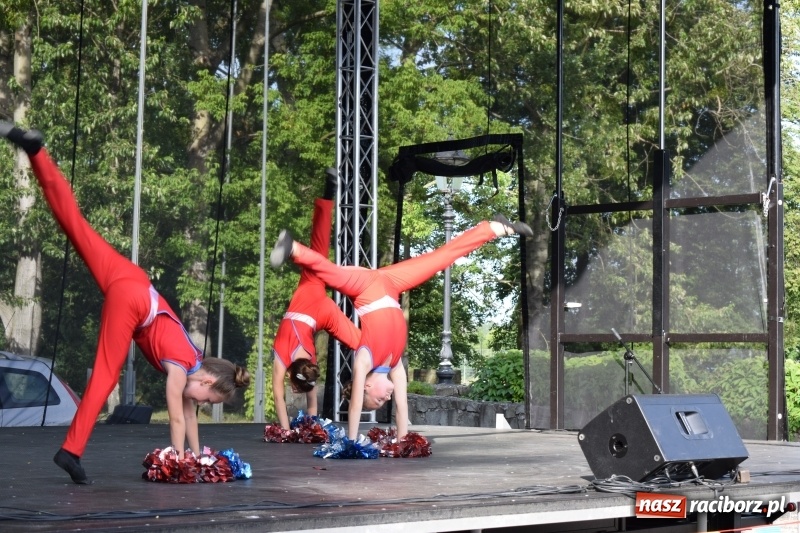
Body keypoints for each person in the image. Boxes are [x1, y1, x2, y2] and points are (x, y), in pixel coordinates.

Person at [0, 122, 251, 485]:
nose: (202, 404)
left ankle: (36, 152)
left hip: (132, 277)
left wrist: (199, 457)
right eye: (209, 399)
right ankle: (70, 451)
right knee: (106, 375)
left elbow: (189, 416)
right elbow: (177, 418)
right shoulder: (181, 369)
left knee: (74, 224)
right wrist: (181, 462)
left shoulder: (193, 361)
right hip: (133, 300)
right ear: (208, 379)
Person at [269, 209, 532, 441]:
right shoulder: (394, 365)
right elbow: (402, 406)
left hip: (365, 287)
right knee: (440, 259)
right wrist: (403, 438)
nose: (386, 398)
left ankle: (295, 250)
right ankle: (495, 228)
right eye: (384, 402)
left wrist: (352, 440)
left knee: (330, 274)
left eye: (378, 399)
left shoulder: (365, 359)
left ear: (365, 387)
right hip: (390, 284)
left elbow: (355, 406)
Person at [271, 170, 361, 430]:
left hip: (320, 313)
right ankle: (325, 198)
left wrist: (289, 431)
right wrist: (301, 429)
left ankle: (325, 199)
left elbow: (287, 397)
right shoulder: (289, 359)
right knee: (319, 249)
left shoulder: (308, 364)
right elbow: (281, 395)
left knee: (360, 342)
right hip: (309, 299)